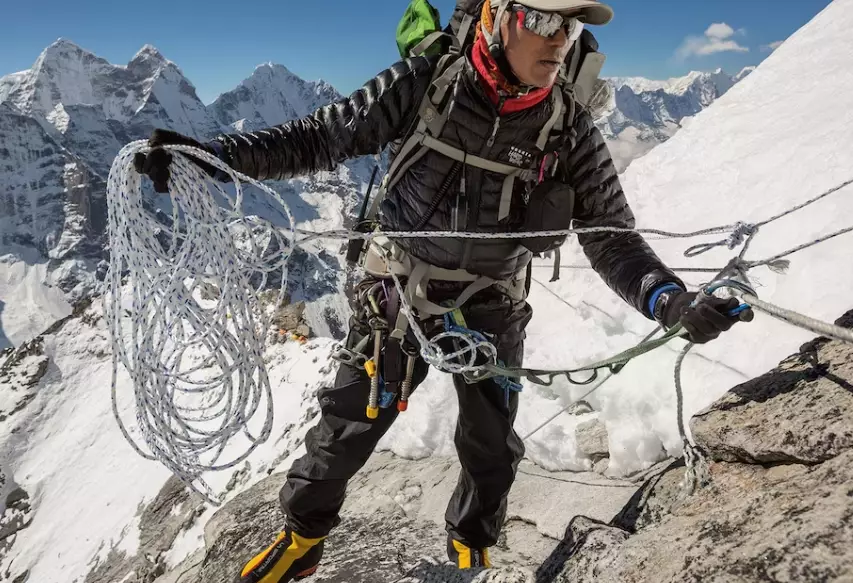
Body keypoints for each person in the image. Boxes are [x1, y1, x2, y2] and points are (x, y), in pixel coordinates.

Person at [134, 1, 752, 580]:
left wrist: (669, 301)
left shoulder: (568, 126)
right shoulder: (426, 84)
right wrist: (214, 155)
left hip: (491, 304)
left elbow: (611, 236)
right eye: (541, 18)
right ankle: (302, 537)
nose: (559, 39)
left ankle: (473, 543)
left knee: (489, 443)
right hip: (398, 291)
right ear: (496, 16)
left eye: (569, 25)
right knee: (348, 423)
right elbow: (317, 137)